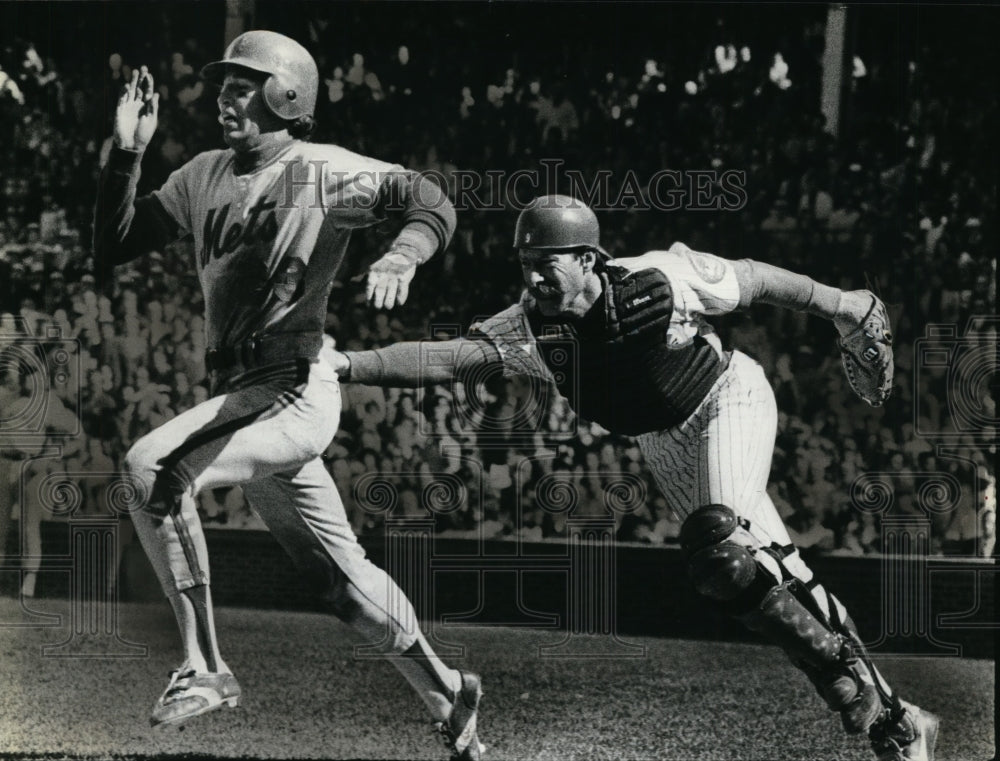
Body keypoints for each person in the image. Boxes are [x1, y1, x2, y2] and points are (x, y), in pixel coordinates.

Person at [324, 195, 939, 761]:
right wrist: (350, 364)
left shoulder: (656, 277)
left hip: (727, 399)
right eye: (525, 263)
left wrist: (844, 306)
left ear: (589, 259)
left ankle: (838, 670)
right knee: (771, 576)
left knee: (723, 554)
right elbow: (452, 357)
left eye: (548, 263)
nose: (533, 277)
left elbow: (753, 277)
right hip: (662, 441)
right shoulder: (529, 326)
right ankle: (901, 724)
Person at [93, 30, 483, 761]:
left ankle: (203, 665)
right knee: (343, 583)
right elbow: (110, 246)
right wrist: (126, 154)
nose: (224, 96)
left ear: (287, 94)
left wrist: (404, 251)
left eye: (243, 84)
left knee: (152, 468)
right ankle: (449, 692)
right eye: (224, 84)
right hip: (248, 391)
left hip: (293, 386)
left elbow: (429, 198)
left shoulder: (320, 170)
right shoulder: (204, 172)